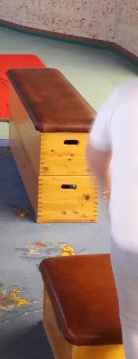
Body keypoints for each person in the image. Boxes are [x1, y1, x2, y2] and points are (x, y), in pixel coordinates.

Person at [86, 79, 138, 359]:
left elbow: (95, 157)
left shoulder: (126, 95)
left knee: (134, 323)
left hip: (131, 233)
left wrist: (109, 191)